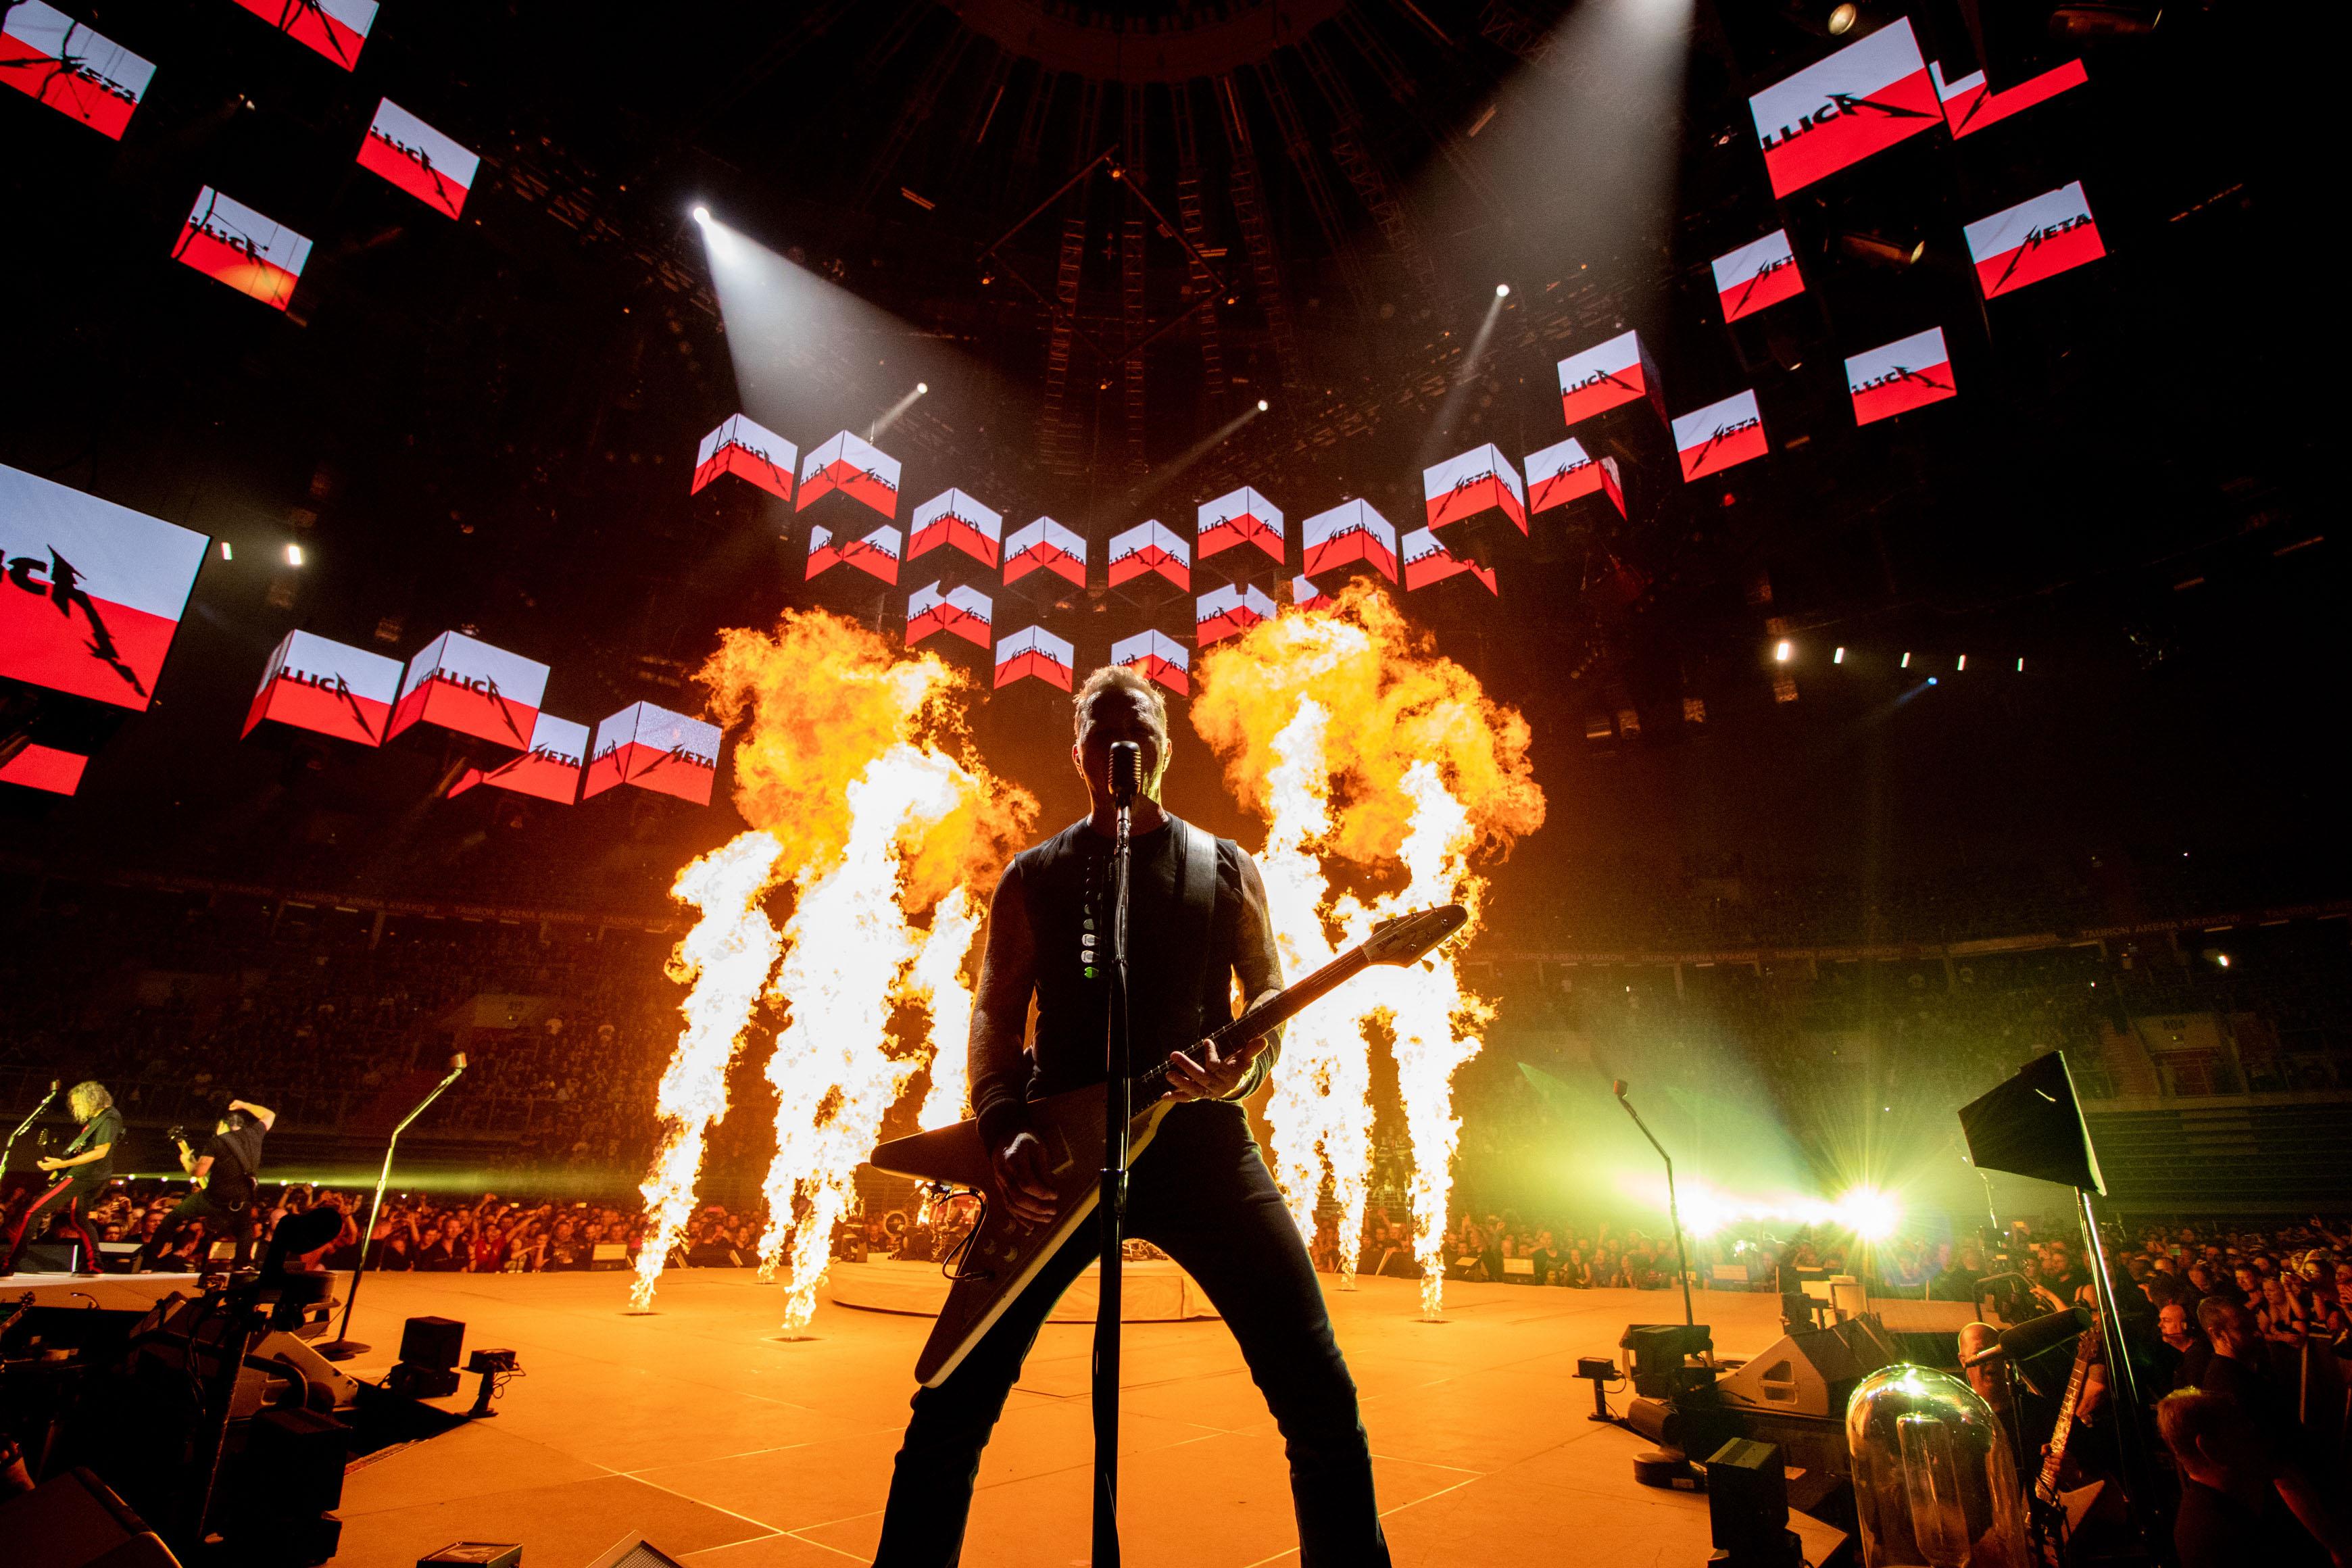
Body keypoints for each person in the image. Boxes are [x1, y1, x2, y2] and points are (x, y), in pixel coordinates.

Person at [873, 666, 1390, 1567]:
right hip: (1057, 1156)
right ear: (1078, 752)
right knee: (951, 1401)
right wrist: (1002, 1123)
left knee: (1317, 1394)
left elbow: (1267, 998)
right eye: (1106, 732)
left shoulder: (1224, 866)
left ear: (1166, 748)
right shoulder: (1034, 874)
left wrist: (1240, 1072)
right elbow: (996, 1011)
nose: (1125, 745)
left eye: (1142, 729)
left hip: (1203, 1150)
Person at [2157, 1389, 2346, 1567]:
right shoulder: (2216, 1540)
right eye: (2241, 1428)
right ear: (2211, 1449)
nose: (2256, 1433)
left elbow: (2282, 1472)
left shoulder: (2242, 1487)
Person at [139, 1098, 274, 1271]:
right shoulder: (254, 1134)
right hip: (241, 1201)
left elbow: (200, 1172)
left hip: (213, 1199)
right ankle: (242, 1265)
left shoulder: (217, 1142)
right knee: (245, 1229)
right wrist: (244, 1105)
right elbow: (269, 1114)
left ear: (223, 1125)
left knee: (171, 1219)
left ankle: (148, 1264)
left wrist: (188, 1163)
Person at [2, 1081, 120, 1277]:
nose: (75, 1108)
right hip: (90, 1174)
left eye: (77, 1103)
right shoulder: (99, 1120)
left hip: (85, 1175)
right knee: (79, 1218)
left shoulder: (109, 1118)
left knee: (34, 1211)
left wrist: (63, 1164)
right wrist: (61, 1167)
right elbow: (87, 1151)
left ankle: (9, 1264)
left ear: (91, 1099)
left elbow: (101, 1152)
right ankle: (94, 1264)